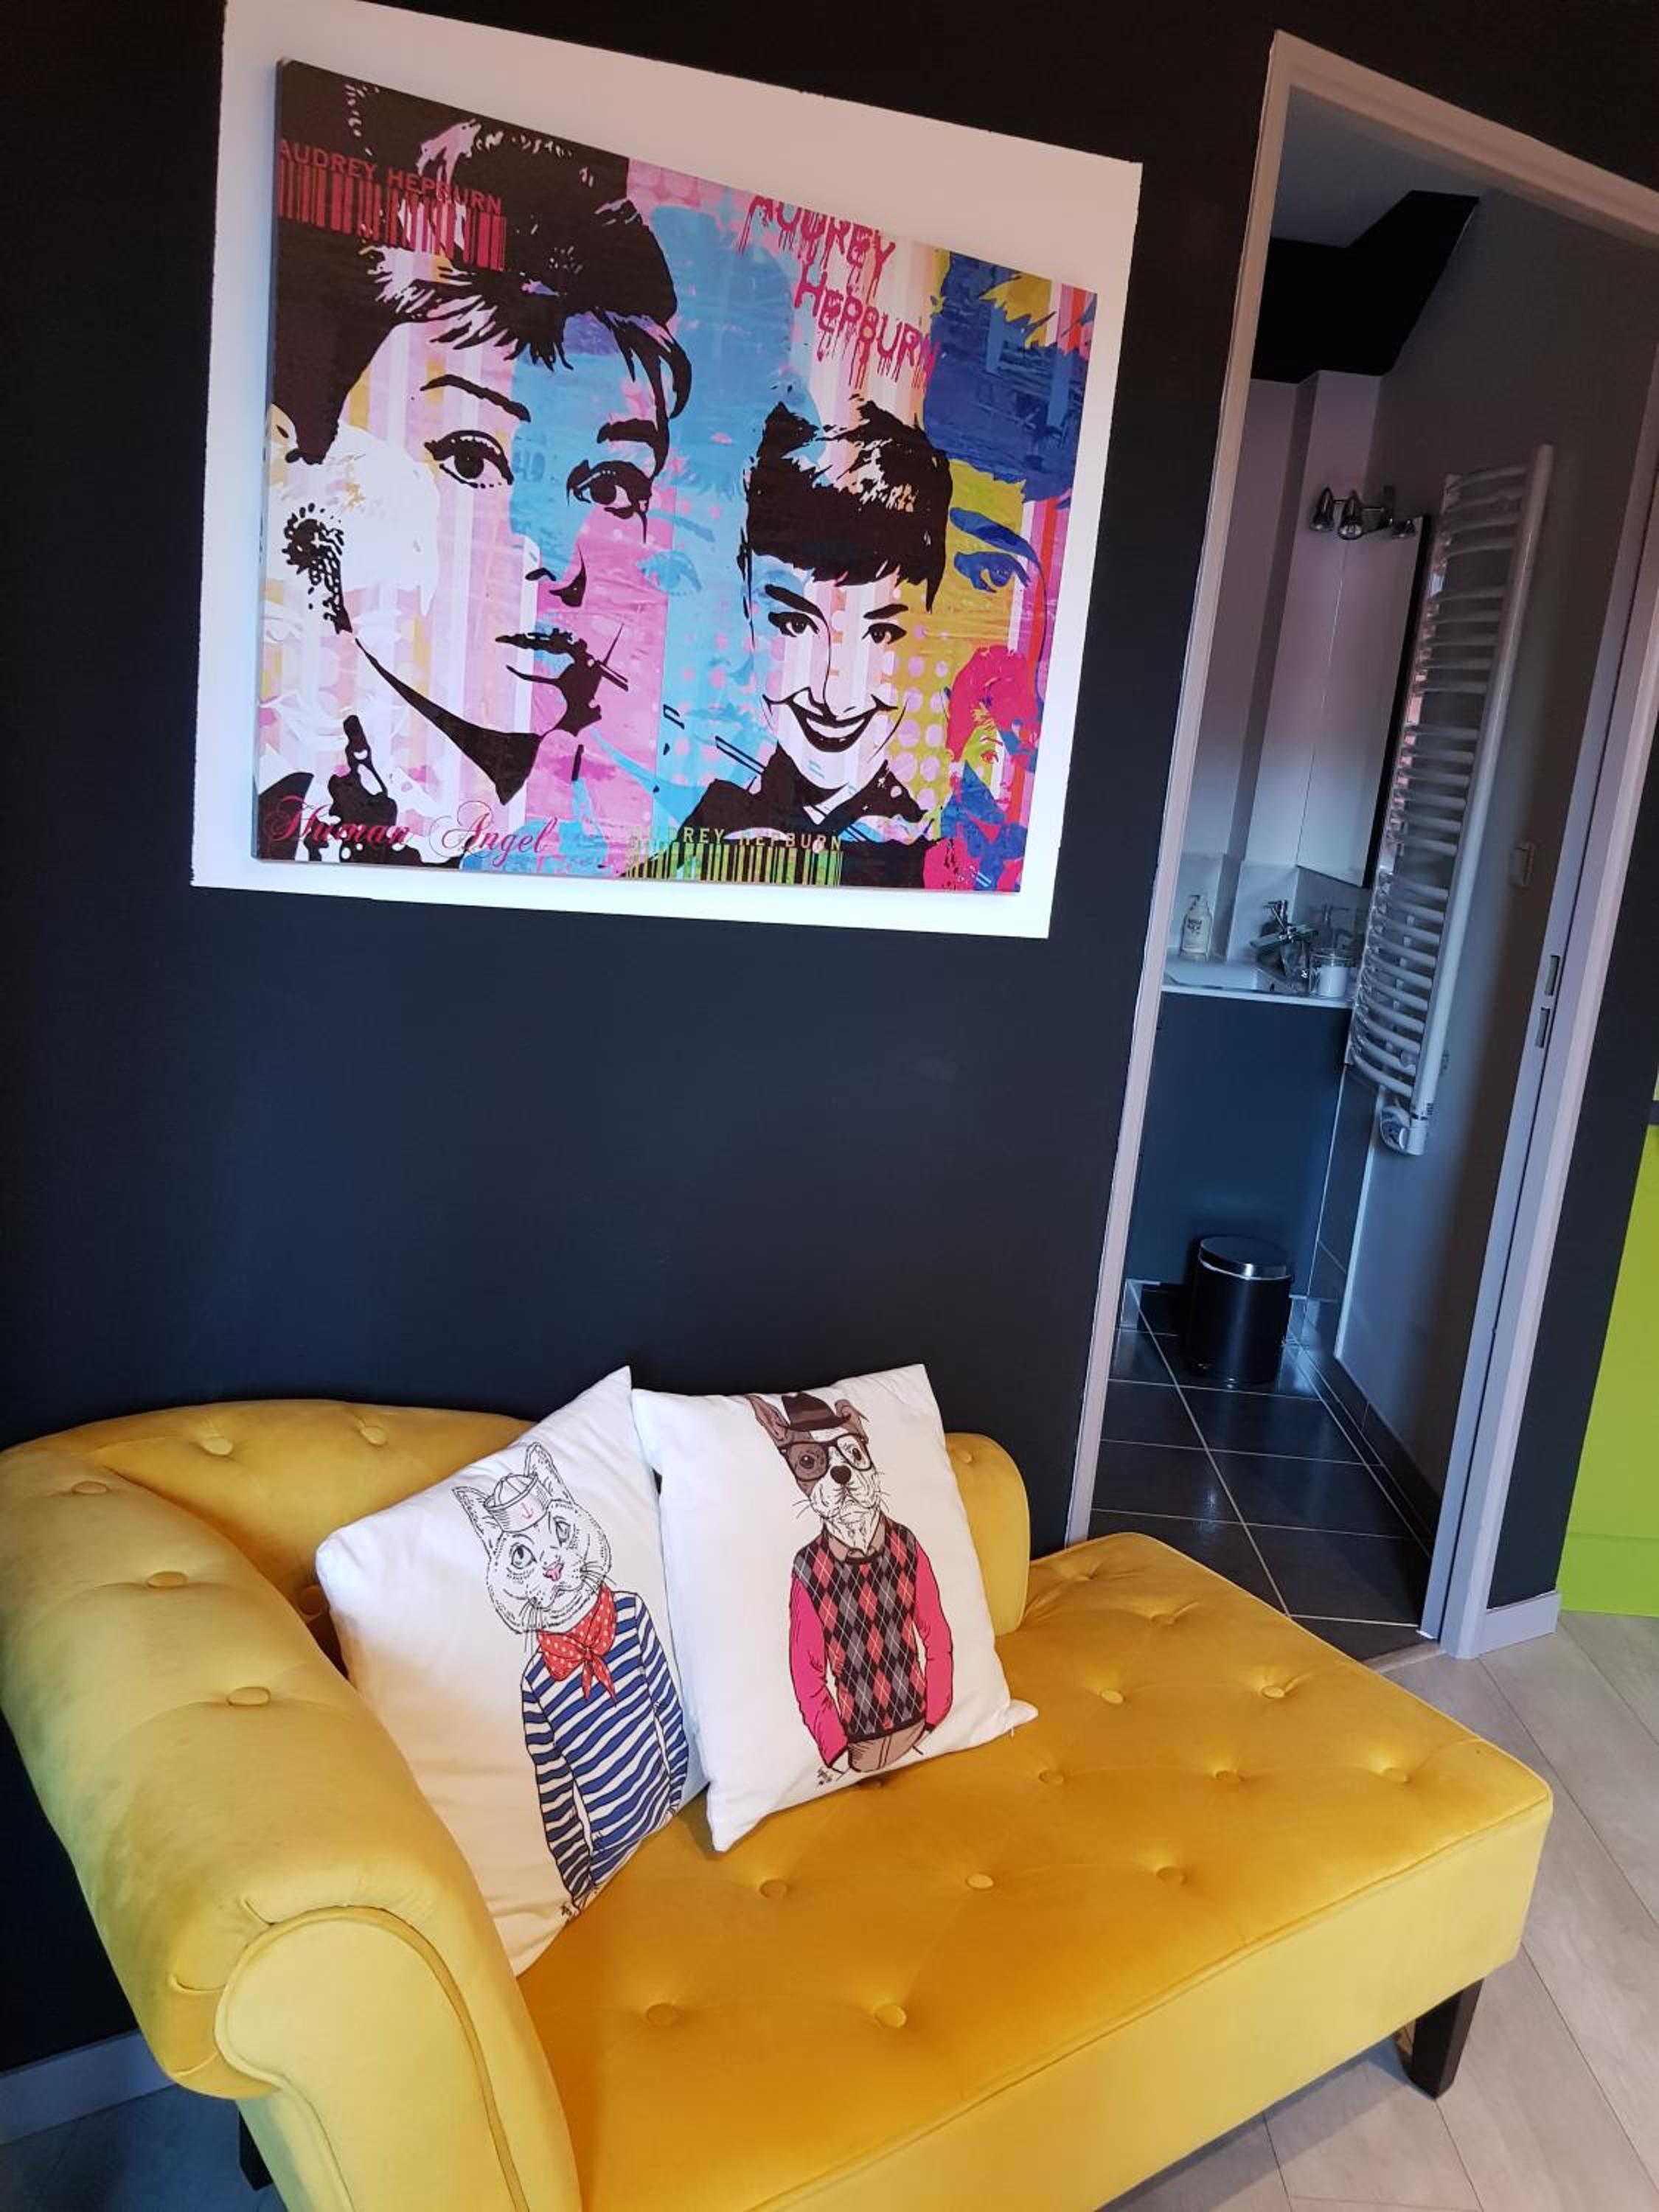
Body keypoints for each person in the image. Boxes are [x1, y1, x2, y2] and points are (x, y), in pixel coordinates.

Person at [259, 66, 690, 868]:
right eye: (469, 457)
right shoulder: (279, 799)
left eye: (610, 485)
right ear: (303, 462)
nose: (557, 560)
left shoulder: (638, 838)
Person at [674, 399, 953, 886]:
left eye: (880, 634)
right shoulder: (711, 825)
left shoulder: (927, 855)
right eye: (795, 625)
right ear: (746, 609)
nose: (832, 697)